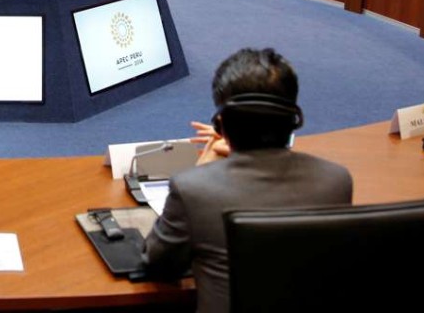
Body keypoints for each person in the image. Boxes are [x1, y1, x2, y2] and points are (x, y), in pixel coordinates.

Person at [141, 48, 353, 313]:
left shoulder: (193, 188)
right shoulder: (336, 180)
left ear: (221, 124)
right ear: (293, 120)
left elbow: (157, 262)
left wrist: (203, 167)